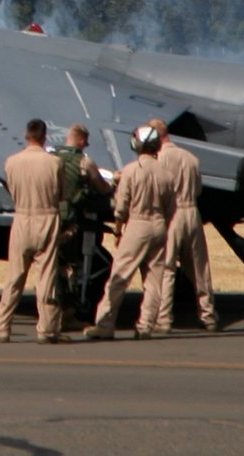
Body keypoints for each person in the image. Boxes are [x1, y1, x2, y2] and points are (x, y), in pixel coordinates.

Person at [83, 123, 166, 339]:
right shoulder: (167, 173)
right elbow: (171, 205)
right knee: (153, 280)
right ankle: (146, 326)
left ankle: (105, 324)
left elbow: (121, 208)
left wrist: (119, 230)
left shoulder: (130, 171)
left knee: (119, 277)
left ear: (136, 144)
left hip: (137, 225)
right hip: (159, 225)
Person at [0, 118, 66, 344]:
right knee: (46, 277)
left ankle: (1, 326)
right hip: (46, 218)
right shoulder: (55, 163)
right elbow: (62, 194)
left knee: (14, 276)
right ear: (44, 136)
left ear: (27, 136)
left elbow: (12, 189)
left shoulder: (11, 162)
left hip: (22, 217)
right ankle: (47, 328)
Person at [149, 118, 219, 332]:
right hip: (192, 212)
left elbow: (157, 191)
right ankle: (208, 315)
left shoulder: (159, 160)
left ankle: (164, 317)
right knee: (199, 267)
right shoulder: (191, 158)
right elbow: (198, 190)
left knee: (167, 267)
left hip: (172, 214)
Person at [55, 124, 113, 315]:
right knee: (87, 264)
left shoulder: (52, 159)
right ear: (81, 140)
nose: (87, 145)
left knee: (55, 265)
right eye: (86, 141)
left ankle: (58, 308)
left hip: (52, 222)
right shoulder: (85, 162)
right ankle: (75, 308)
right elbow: (103, 188)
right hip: (73, 223)